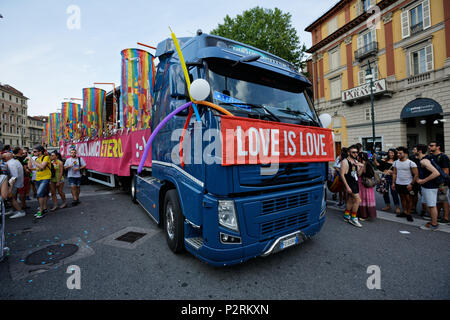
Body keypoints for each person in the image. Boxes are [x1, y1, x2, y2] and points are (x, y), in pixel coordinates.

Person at [415, 145, 441, 231]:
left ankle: (434, 224)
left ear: (419, 151)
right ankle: (433, 220)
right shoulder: (423, 160)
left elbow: (436, 173)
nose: (412, 150)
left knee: (431, 205)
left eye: (414, 149)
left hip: (430, 186)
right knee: (426, 204)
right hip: (426, 186)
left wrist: (423, 181)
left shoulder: (424, 161)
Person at [340, 144, 364, 227]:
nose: (355, 154)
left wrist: (362, 166)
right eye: (353, 152)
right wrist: (347, 187)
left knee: (350, 200)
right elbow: (342, 175)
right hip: (349, 183)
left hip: (355, 182)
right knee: (358, 200)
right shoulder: (345, 161)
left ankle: (346, 216)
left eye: (356, 152)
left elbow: (358, 174)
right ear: (349, 153)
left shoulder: (355, 161)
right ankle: (353, 218)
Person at [391, 146, 418, 222]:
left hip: (408, 184)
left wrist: (411, 184)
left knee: (408, 199)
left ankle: (409, 214)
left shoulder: (411, 163)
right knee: (402, 198)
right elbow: (394, 173)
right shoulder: (396, 162)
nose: (398, 154)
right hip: (399, 183)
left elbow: (416, 174)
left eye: (400, 153)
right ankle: (405, 212)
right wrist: (393, 183)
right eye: (397, 153)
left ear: (405, 154)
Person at [428, 141, 450, 224]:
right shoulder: (431, 156)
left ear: (438, 147)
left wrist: (442, 182)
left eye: (431, 145)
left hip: (442, 182)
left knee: (443, 199)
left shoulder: (443, 156)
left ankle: (446, 217)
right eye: (429, 145)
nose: (429, 147)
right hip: (434, 181)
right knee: (438, 200)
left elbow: (446, 171)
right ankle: (437, 216)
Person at [373, 148, 400, 214]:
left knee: (394, 192)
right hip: (385, 178)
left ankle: (397, 207)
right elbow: (378, 165)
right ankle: (388, 205)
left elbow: (400, 170)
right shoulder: (384, 160)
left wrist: (393, 172)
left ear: (395, 153)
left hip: (393, 178)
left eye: (392, 153)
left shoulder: (397, 161)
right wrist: (374, 158)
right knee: (385, 192)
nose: (390, 154)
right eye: (389, 152)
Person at [27, 145, 51, 219]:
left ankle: (40, 210)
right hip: (38, 178)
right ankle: (44, 209)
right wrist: (30, 165)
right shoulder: (37, 159)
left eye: (34, 151)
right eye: (33, 151)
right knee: (42, 194)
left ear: (40, 152)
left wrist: (32, 160)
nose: (33, 153)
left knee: (39, 194)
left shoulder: (46, 157)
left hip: (46, 177)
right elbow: (36, 168)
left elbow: (42, 167)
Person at [3, 150, 25, 219]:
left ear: (7, 157)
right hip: (17, 183)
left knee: (11, 197)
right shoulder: (13, 161)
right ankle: (14, 210)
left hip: (14, 184)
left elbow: (14, 176)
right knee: (12, 197)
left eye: (4, 156)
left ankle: (20, 211)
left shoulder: (11, 163)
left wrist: (10, 187)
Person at [357, 152, 377, 221]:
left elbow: (359, 174)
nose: (357, 157)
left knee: (363, 199)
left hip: (363, 183)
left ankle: (364, 215)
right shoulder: (369, 163)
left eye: (358, 156)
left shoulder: (363, 164)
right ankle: (369, 214)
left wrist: (361, 167)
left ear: (361, 157)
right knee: (368, 199)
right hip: (368, 184)